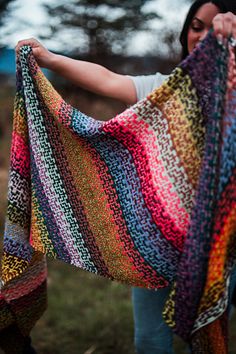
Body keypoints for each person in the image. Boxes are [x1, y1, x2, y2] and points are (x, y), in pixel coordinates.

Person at [16, 1, 236, 353]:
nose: (203, 36)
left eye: (214, 28)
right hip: (157, 240)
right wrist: (51, 59)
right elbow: (108, 79)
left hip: (223, 243)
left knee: (212, 331)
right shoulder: (163, 91)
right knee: (150, 339)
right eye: (196, 26)